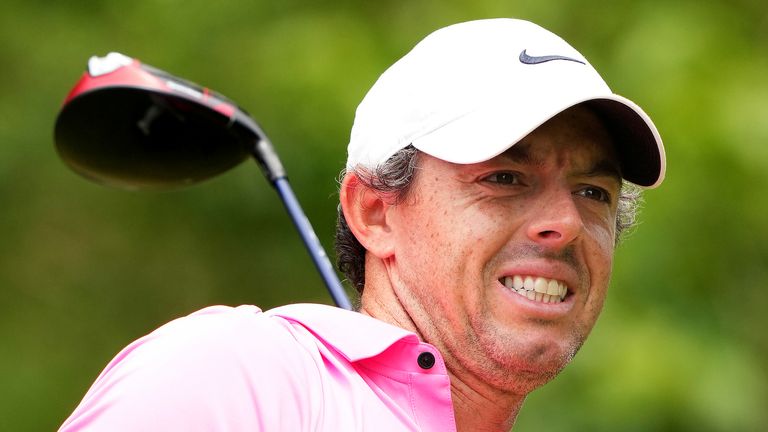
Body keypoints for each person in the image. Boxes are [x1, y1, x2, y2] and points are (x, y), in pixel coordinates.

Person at [59, 18, 665, 431]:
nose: (565, 222)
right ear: (374, 212)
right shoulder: (242, 373)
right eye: (504, 178)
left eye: (593, 191)